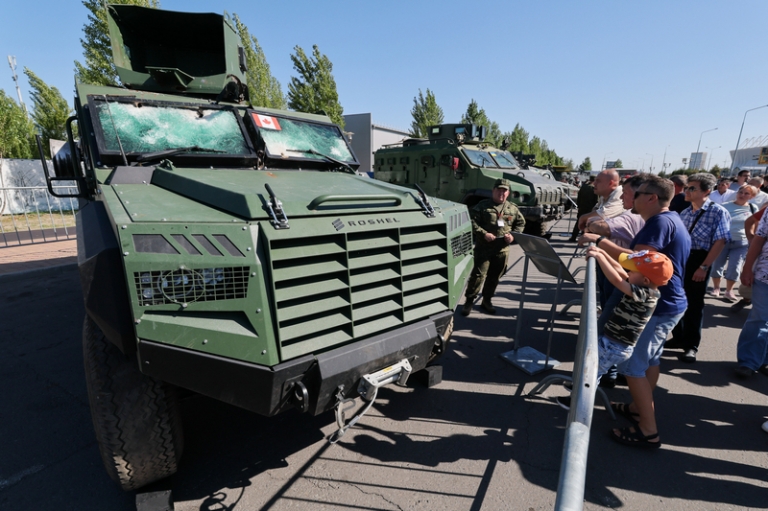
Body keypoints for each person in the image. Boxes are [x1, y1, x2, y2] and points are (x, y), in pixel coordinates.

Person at [575, 175, 690, 449]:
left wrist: (599, 243)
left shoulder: (659, 223)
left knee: (633, 367)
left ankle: (648, 431)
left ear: (652, 198)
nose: (633, 197)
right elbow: (634, 264)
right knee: (650, 361)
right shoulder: (670, 219)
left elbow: (634, 263)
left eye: (637, 194)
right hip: (669, 304)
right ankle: (639, 409)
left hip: (658, 307)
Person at [557, 248, 673, 435]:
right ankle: (578, 392)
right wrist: (602, 254)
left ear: (645, 280)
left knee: (590, 374)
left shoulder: (646, 295)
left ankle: (577, 404)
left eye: (632, 271)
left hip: (615, 346)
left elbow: (616, 280)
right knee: (592, 371)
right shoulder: (643, 287)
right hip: (613, 343)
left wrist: (598, 256)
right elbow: (620, 272)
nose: (628, 273)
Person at [669, 173, 731, 363]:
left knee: (694, 304)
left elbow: (720, 241)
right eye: (687, 187)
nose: (687, 191)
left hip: (700, 260)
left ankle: (691, 345)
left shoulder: (718, 212)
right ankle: (678, 337)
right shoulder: (685, 212)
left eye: (692, 188)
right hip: (681, 259)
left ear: (706, 191)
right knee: (676, 298)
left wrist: (704, 267)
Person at [461, 178, 525, 316]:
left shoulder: (512, 208)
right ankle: (469, 301)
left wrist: (513, 236)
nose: (501, 193)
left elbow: (520, 223)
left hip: (502, 250)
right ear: (493, 191)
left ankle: (487, 300)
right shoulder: (482, 206)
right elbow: (471, 221)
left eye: (504, 191)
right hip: (484, 248)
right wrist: (483, 234)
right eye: (499, 190)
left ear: (508, 193)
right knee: (478, 276)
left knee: (494, 277)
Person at [734, 206, 768, 378]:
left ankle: (763, 359)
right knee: (760, 319)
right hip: (765, 275)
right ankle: (748, 362)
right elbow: (759, 238)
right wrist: (747, 268)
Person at [711, 185, 758, 300]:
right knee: (717, 265)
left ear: (752, 196)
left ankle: (729, 291)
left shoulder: (753, 208)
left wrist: (753, 239)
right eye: (740, 192)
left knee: (735, 267)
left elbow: (756, 225)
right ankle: (716, 287)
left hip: (741, 243)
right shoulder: (724, 206)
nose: (742, 195)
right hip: (723, 241)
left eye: (746, 193)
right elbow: (715, 222)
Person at [577, 169, 623, 233]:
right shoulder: (604, 195)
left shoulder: (620, 193)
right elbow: (596, 209)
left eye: (598, 181)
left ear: (611, 183)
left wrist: (583, 218)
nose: (594, 183)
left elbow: (603, 213)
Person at [570, 176, 598, 241]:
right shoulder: (594, 188)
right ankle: (583, 237)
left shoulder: (583, 187)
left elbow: (579, 197)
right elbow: (596, 200)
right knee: (588, 223)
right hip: (590, 209)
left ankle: (573, 237)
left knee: (579, 222)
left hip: (582, 208)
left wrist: (579, 206)